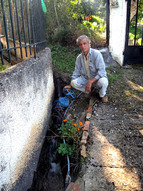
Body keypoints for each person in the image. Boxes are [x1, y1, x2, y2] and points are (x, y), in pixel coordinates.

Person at [64, 35, 108, 102]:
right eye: (80, 44)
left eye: (84, 43)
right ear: (79, 46)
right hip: (86, 79)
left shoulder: (96, 54)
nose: (83, 46)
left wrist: (91, 81)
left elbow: (102, 72)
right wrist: (70, 85)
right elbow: (76, 72)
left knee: (104, 81)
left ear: (89, 44)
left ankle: (102, 95)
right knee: (73, 82)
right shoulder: (79, 58)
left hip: (97, 79)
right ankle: (89, 92)